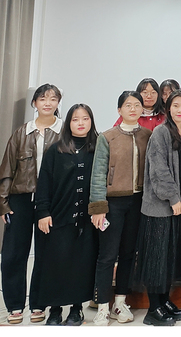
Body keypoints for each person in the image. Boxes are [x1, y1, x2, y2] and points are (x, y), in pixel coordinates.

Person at [134, 90, 181, 326]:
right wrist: (173, 199)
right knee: (157, 257)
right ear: (168, 108)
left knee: (171, 256)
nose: (180, 110)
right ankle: (153, 309)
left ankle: (164, 300)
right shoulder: (161, 132)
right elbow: (158, 169)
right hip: (160, 206)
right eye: (175, 105)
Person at [0, 83, 62, 325]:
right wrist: (3, 203)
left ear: (58, 103)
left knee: (46, 254)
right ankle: (15, 306)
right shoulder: (21, 133)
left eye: (53, 98)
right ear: (34, 103)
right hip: (21, 199)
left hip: (52, 202)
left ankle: (38, 304)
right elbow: (7, 169)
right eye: (43, 98)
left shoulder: (64, 132)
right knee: (13, 254)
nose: (48, 102)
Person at [90, 91, 152, 326]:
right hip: (112, 203)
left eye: (137, 105)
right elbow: (98, 174)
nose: (133, 109)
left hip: (138, 202)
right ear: (119, 110)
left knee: (128, 254)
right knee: (107, 255)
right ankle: (102, 306)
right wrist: (98, 207)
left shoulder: (148, 135)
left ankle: (120, 302)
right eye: (128, 105)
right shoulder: (107, 137)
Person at [33, 103, 97, 326]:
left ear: (91, 122)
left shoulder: (97, 148)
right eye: (75, 119)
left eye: (85, 119)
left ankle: (76, 309)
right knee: (56, 264)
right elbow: (44, 183)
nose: (80, 123)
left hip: (86, 220)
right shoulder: (56, 150)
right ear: (68, 123)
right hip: (58, 217)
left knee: (81, 265)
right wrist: (42, 211)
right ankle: (55, 309)